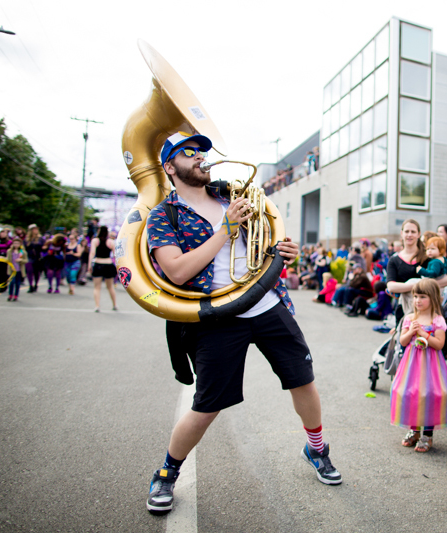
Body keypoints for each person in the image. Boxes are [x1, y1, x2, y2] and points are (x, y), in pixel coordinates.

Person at [144, 132, 341, 515]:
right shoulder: (163, 216)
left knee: (304, 381)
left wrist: (283, 250)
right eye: (189, 153)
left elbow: (264, 241)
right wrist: (226, 229)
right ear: (170, 166)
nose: (200, 157)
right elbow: (177, 270)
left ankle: (317, 449)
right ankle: (166, 473)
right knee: (207, 405)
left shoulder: (232, 196)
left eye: (202, 151)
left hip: (267, 303)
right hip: (217, 315)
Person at [391, 279, 447, 452]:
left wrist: (422, 333)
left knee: (430, 394)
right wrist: (411, 331)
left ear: (433, 298)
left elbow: (439, 344)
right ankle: (414, 430)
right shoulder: (410, 318)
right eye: (415, 296)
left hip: (431, 365)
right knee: (412, 392)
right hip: (412, 364)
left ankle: (427, 434)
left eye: (422, 297)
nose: (417, 300)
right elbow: (403, 341)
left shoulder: (438, 319)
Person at [88, 225, 118, 312]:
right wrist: (117, 266)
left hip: (98, 263)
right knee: (110, 287)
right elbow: (115, 255)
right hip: (108, 264)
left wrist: (89, 265)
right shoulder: (111, 242)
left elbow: (92, 253)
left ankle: (97, 305)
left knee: (97, 287)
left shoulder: (95, 241)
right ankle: (114, 304)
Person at [24, 224, 44, 293]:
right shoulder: (26, 239)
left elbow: (43, 247)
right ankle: (30, 285)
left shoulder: (40, 238)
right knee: (29, 271)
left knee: (36, 272)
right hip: (29, 256)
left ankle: (36, 284)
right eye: (34, 229)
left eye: (36, 229)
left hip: (37, 257)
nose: (35, 230)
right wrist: (21, 255)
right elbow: (22, 249)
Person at [64, 229, 84, 295]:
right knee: (67, 275)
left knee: (73, 274)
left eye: (72, 239)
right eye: (70, 238)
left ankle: (72, 288)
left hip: (75, 262)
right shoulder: (67, 245)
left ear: (75, 239)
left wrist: (72, 253)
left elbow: (79, 254)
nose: (71, 240)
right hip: (67, 262)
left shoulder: (78, 245)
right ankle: (70, 287)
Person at [6, 237, 27, 301]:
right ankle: (10, 295)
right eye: (15, 243)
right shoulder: (10, 251)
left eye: (17, 243)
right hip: (12, 269)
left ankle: (16, 295)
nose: (16, 245)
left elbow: (26, 260)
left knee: (17, 283)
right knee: (12, 282)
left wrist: (21, 260)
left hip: (19, 270)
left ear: (20, 244)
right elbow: (7, 259)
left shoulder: (22, 251)